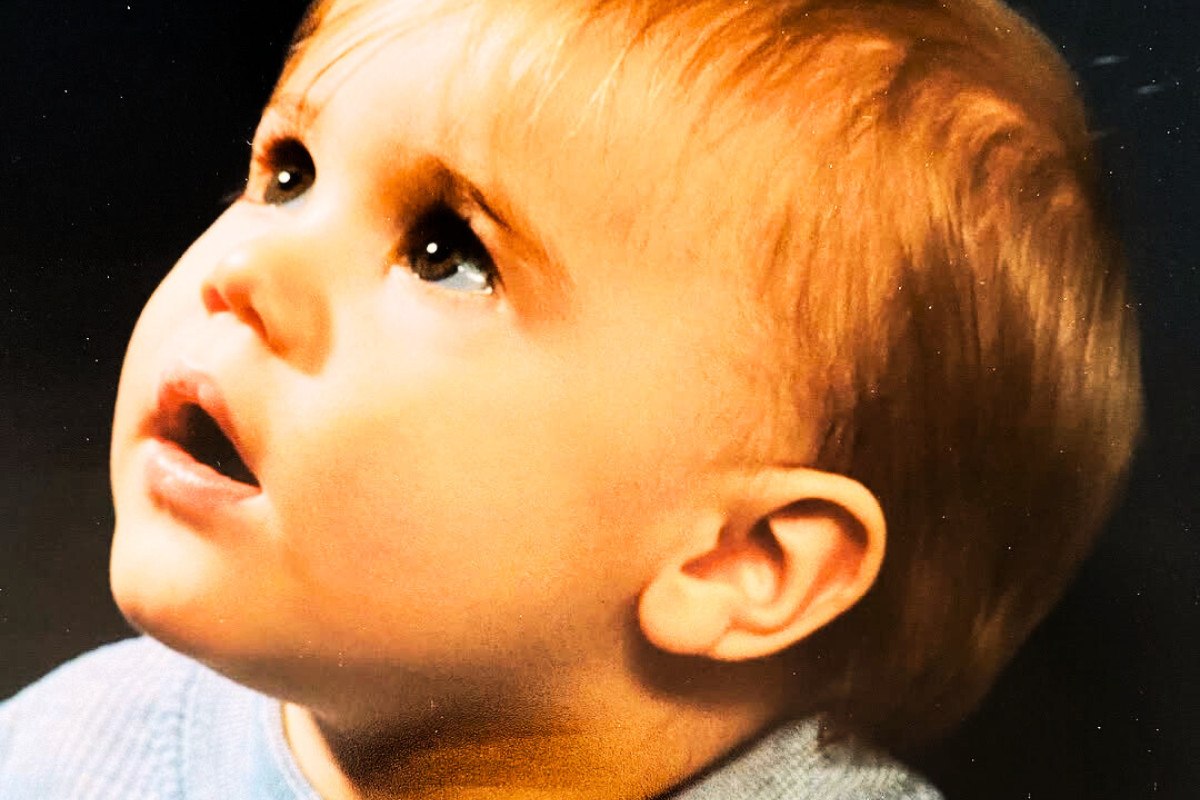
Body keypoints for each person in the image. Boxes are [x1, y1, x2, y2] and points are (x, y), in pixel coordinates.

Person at [0, 0, 1142, 797]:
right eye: (288, 171)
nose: (243, 267)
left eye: (449, 253)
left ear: (739, 559)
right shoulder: (70, 758)